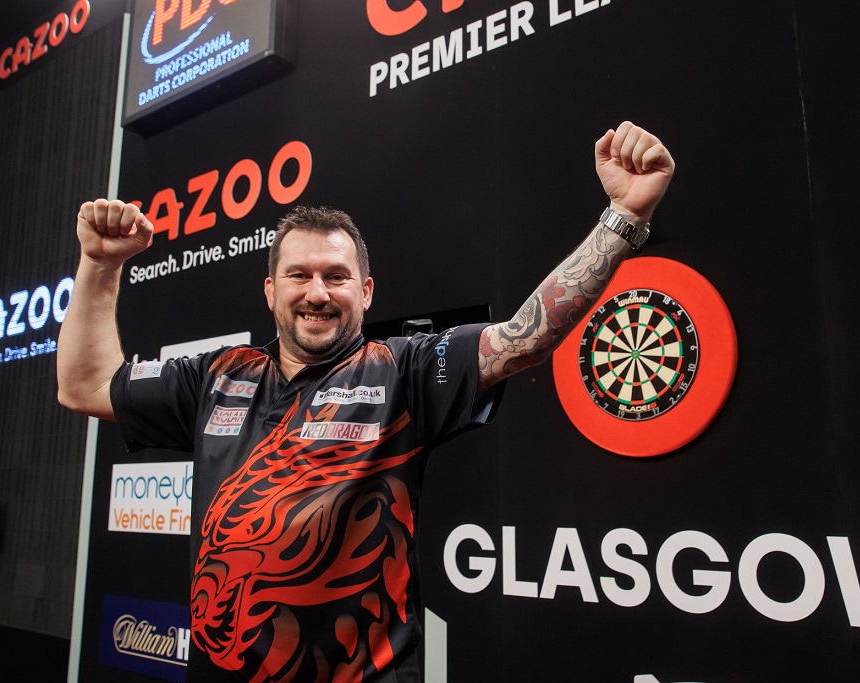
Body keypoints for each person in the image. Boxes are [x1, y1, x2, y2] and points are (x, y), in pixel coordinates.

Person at [57, 121, 675, 682]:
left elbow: (524, 338)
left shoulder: (403, 370)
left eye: (337, 276)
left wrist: (623, 216)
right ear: (270, 290)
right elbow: (83, 386)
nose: (318, 292)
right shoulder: (217, 375)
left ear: (367, 291)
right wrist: (99, 265)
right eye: (299, 275)